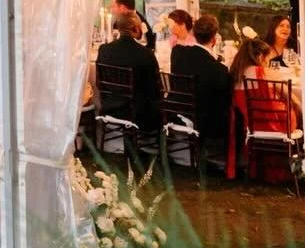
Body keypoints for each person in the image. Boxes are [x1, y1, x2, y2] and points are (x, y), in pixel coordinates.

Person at [94, 11, 164, 139]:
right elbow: (156, 88)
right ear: (135, 28)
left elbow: (99, 82)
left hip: (110, 105)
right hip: (137, 111)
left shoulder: (104, 49)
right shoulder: (145, 54)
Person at [170, 13, 232, 154]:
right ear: (214, 40)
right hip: (202, 118)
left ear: (194, 33)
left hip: (177, 109)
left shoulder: (177, 52)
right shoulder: (219, 69)